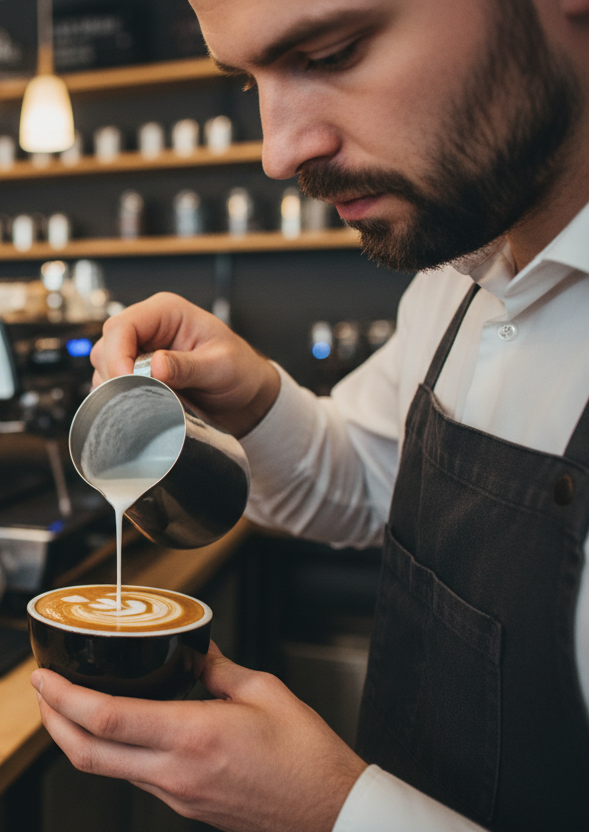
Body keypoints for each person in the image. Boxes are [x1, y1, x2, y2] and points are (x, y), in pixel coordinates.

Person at [32, 1, 589, 831]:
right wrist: (256, 399)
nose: (280, 151)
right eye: (249, 80)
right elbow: (371, 481)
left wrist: (333, 811)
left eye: (333, 52)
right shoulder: (456, 280)